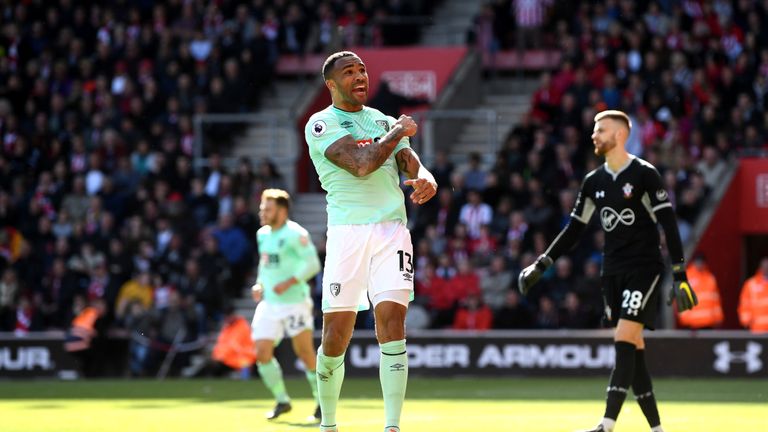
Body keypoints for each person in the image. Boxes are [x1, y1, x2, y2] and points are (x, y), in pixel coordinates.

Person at [518, 110, 698, 432]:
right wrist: (542, 262)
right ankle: (657, 429)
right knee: (635, 348)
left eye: (600, 130)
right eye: (594, 130)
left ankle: (606, 425)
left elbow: (668, 224)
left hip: (644, 268)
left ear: (619, 135)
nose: (594, 136)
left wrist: (680, 273)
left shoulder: (645, 174)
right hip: (612, 270)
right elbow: (574, 229)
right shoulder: (593, 181)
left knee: (624, 336)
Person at [305, 51, 437, 432]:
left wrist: (426, 174)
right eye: (349, 72)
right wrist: (398, 130)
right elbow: (361, 164)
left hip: (392, 231)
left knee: (393, 323)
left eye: (362, 70)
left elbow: (406, 159)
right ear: (331, 84)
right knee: (336, 336)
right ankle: (328, 424)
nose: (360, 76)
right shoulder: (321, 123)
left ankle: (392, 426)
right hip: (348, 234)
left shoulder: (380, 118)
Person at [251, 189, 322, 420]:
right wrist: (259, 284)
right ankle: (282, 400)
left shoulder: (295, 234)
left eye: (268, 209)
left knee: (304, 352)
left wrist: (290, 281)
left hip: (295, 303)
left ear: (282, 211)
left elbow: (312, 264)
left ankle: (322, 402)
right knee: (262, 353)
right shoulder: (262, 234)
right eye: (262, 208)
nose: (263, 212)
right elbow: (265, 265)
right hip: (270, 303)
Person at [678, 254, 723, 329]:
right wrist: (684, 319)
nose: (700, 264)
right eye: (698, 262)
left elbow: (715, 300)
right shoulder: (687, 277)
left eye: (701, 262)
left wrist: (718, 317)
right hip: (692, 323)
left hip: (708, 322)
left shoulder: (710, 278)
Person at [738, 257, 768, 333]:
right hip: (757, 328)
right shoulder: (751, 283)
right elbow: (744, 303)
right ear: (760, 268)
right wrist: (746, 321)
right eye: (765, 266)